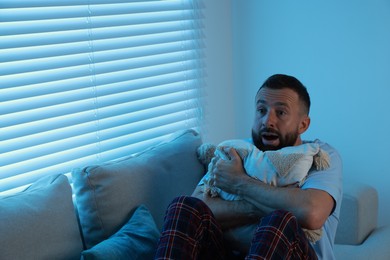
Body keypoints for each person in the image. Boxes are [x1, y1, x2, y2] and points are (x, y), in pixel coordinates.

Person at [154, 74, 343, 260]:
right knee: (183, 206)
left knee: (279, 221)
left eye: (281, 112)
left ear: (303, 124)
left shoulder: (319, 154)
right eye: (261, 110)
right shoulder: (239, 151)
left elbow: (311, 213)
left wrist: (239, 183)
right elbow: (199, 206)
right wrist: (272, 201)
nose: (267, 121)